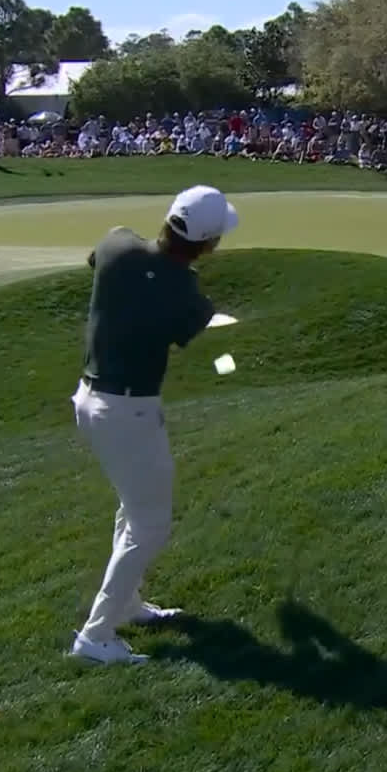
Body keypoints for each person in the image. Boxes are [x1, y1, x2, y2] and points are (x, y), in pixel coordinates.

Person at [68, 184, 240, 665]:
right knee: (152, 524)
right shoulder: (186, 295)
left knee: (133, 509)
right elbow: (192, 327)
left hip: (90, 401)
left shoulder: (116, 242)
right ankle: (96, 635)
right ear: (209, 243)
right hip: (129, 412)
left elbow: (99, 264)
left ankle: (127, 603)